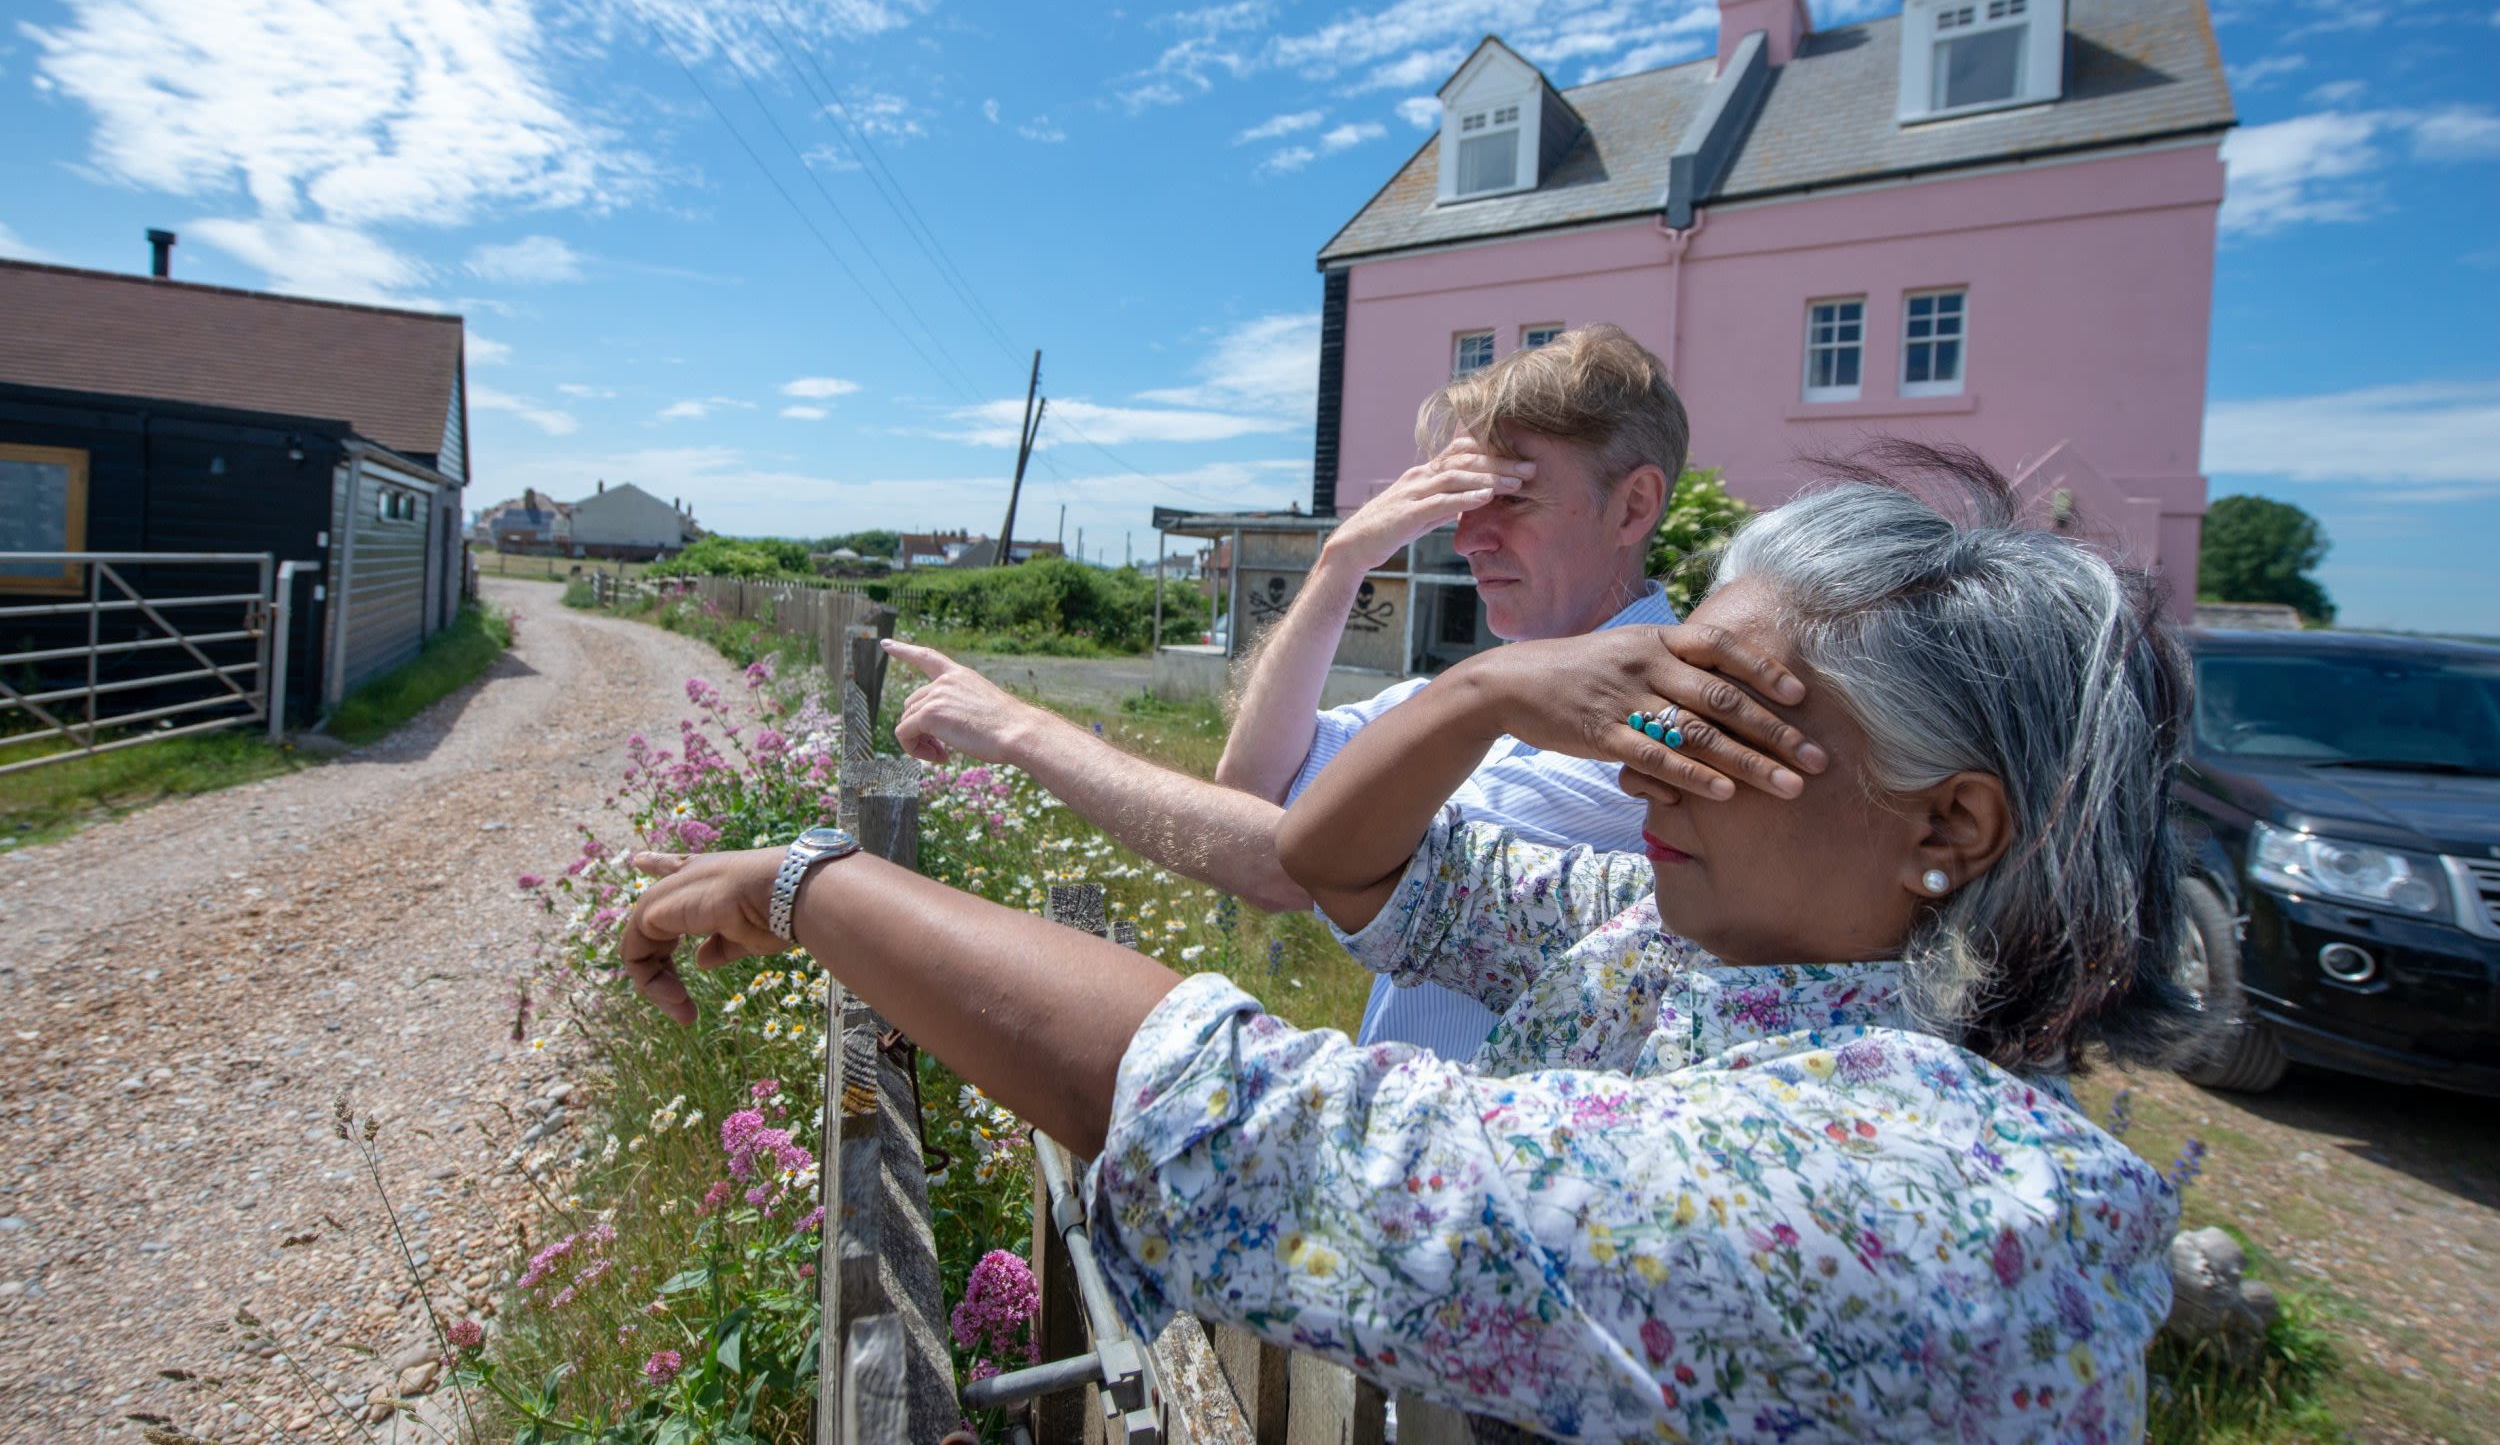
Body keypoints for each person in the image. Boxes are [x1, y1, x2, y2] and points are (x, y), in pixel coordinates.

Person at [623, 445, 2203, 1442]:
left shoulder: (1893, 1196)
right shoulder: (1716, 960)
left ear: (1950, 829)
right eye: (1663, 694)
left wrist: (802, 885)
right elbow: (1340, 863)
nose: (1650, 749)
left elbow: (1237, 1115)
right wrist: (1480, 693)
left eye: (1724, 721)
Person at [890, 323, 1713, 1059]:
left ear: (1633, 505)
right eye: (1456, 501)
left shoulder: (1646, 732)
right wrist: (1342, 561)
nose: (1466, 536)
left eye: (1507, 497)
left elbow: (1289, 862)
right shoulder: (1486, 697)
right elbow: (1258, 778)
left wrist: (1017, 728)